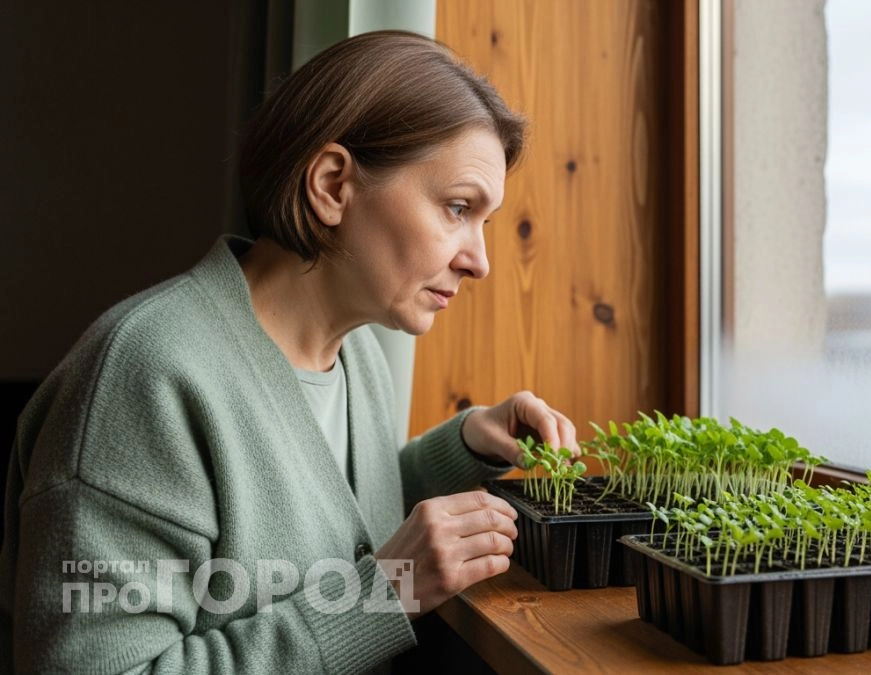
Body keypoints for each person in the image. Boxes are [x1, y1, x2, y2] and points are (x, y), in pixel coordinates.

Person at [0, 30, 577, 673]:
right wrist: (381, 599)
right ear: (332, 185)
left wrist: (463, 448)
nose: (481, 261)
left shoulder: (359, 356)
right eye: (457, 208)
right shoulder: (145, 376)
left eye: (485, 222)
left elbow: (322, 532)